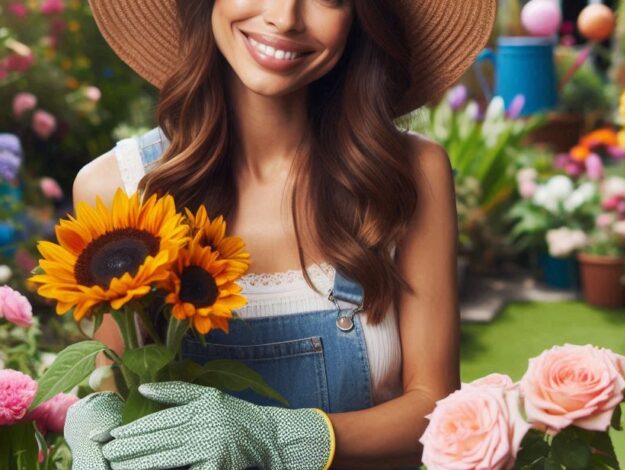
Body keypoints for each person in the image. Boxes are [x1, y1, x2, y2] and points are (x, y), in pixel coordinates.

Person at [64, 0, 495, 468]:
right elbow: (114, 386)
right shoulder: (117, 188)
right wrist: (95, 412)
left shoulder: (408, 177)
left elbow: (437, 409)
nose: (285, 17)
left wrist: (281, 437)